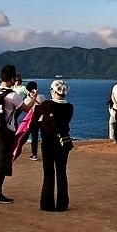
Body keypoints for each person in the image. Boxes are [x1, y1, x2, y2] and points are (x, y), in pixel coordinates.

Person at [0, 64, 39, 204]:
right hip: (5, 132)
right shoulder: (13, 95)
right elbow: (26, 108)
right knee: (1, 162)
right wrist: (34, 97)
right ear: (13, 78)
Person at [38, 80, 74, 212]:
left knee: (48, 172)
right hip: (63, 142)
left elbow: (37, 119)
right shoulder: (70, 107)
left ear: (53, 91)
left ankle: (47, 203)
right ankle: (62, 204)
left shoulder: (45, 105)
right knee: (61, 172)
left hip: (48, 142)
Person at [25, 81, 46, 161]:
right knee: (44, 137)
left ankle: (34, 154)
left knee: (34, 137)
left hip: (33, 120)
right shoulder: (42, 97)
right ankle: (46, 153)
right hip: (43, 119)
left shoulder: (27, 100)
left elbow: (26, 109)